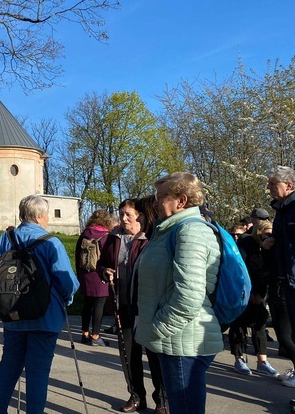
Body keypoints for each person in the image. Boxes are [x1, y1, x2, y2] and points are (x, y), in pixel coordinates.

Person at [136, 172, 222, 414]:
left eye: (160, 196)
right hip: (179, 338)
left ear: (181, 201)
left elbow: (190, 296)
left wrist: (157, 328)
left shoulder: (190, 232)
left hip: (183, 341)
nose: (155, 202)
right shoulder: (170, 230)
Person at [0, 195, 79, 414]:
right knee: (38, 373)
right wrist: (66, 300)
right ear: (40, 216)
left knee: (8, 368)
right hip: (45, 316)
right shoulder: (51, 242)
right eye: (47, 214)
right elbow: (67, 282)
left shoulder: (5, 239)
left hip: (13, 313)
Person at [100, 198, 166, 413]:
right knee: (129, 354)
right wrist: (104, 272)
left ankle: (162, 400)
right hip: (122, 303)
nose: (124, 218)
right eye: (121, 214)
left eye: (128, 214)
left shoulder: (151, 237)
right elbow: (102, 263)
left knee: (154, 354)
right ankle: (136, 396)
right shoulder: (114, 236)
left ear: (140, 216)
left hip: (146, 305)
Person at [229, 220, 280, 377]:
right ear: (259, 232)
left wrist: (261, 295)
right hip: (243, 289)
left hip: (259, 292)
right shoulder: (247, 243)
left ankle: (262, 361)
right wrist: (248, 293)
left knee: (260, 324)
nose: (270, 237)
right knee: (238, 324)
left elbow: (269, 271)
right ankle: (239, 358)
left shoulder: (271, 248)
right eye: (267, 234)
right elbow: (242, 268)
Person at [268, 166, 295, 403]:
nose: (268, 187)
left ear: (289, 185)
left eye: (272, 183)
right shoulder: (281, 210)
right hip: (284, 279)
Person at [75, 209, 114, 347]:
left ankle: (84, 333)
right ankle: (96, 336)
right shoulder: (106, 236)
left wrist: (79, 274)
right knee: (99, 305)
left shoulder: (84, 234)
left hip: (86, 273)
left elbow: (77, 255)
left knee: (87, 304)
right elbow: (108, 256)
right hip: (99, 274)